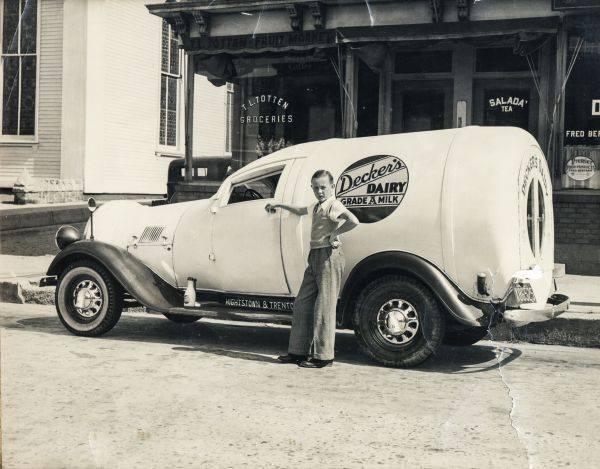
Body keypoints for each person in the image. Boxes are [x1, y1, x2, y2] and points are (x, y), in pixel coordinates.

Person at [265, 170, 360, 368]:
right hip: (315, 256)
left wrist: (335, 233)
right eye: (316, 188)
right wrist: (278, 204)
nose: (320, 191)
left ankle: (323, 357)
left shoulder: (334, 205)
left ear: (332, 187)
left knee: (324, 307)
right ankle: (297, 352)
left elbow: (353, 221)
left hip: (329, 257)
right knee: (302, 303)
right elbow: (300, 210)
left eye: (323, 187)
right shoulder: (318, 206)